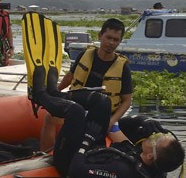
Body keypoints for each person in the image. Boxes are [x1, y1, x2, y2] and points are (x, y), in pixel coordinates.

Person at [31, 61, 184, 178]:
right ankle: (55, 93)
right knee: (103, 101)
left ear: (150, 156)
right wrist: (146, 121)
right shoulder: (149, 160)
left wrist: (86, 140)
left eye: (156, 141)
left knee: (76, 111)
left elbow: (76, 171)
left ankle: (39, 95)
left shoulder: (123, 172)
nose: (153, 137)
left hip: (70, 162)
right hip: (93, 152)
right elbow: (122, 128)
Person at [41, 18, 133, 150]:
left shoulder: (123, 67)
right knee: (50, 118)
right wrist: (54, 94)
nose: (111, 43)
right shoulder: (85, 55)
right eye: (108, 38)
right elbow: (69, 77)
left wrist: (111, 121)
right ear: (100, 36)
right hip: (77, 109)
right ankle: (45, 155)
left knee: (125, 146)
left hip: (105, 116)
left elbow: (127, 101)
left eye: (116, 40)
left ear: (120, 41)